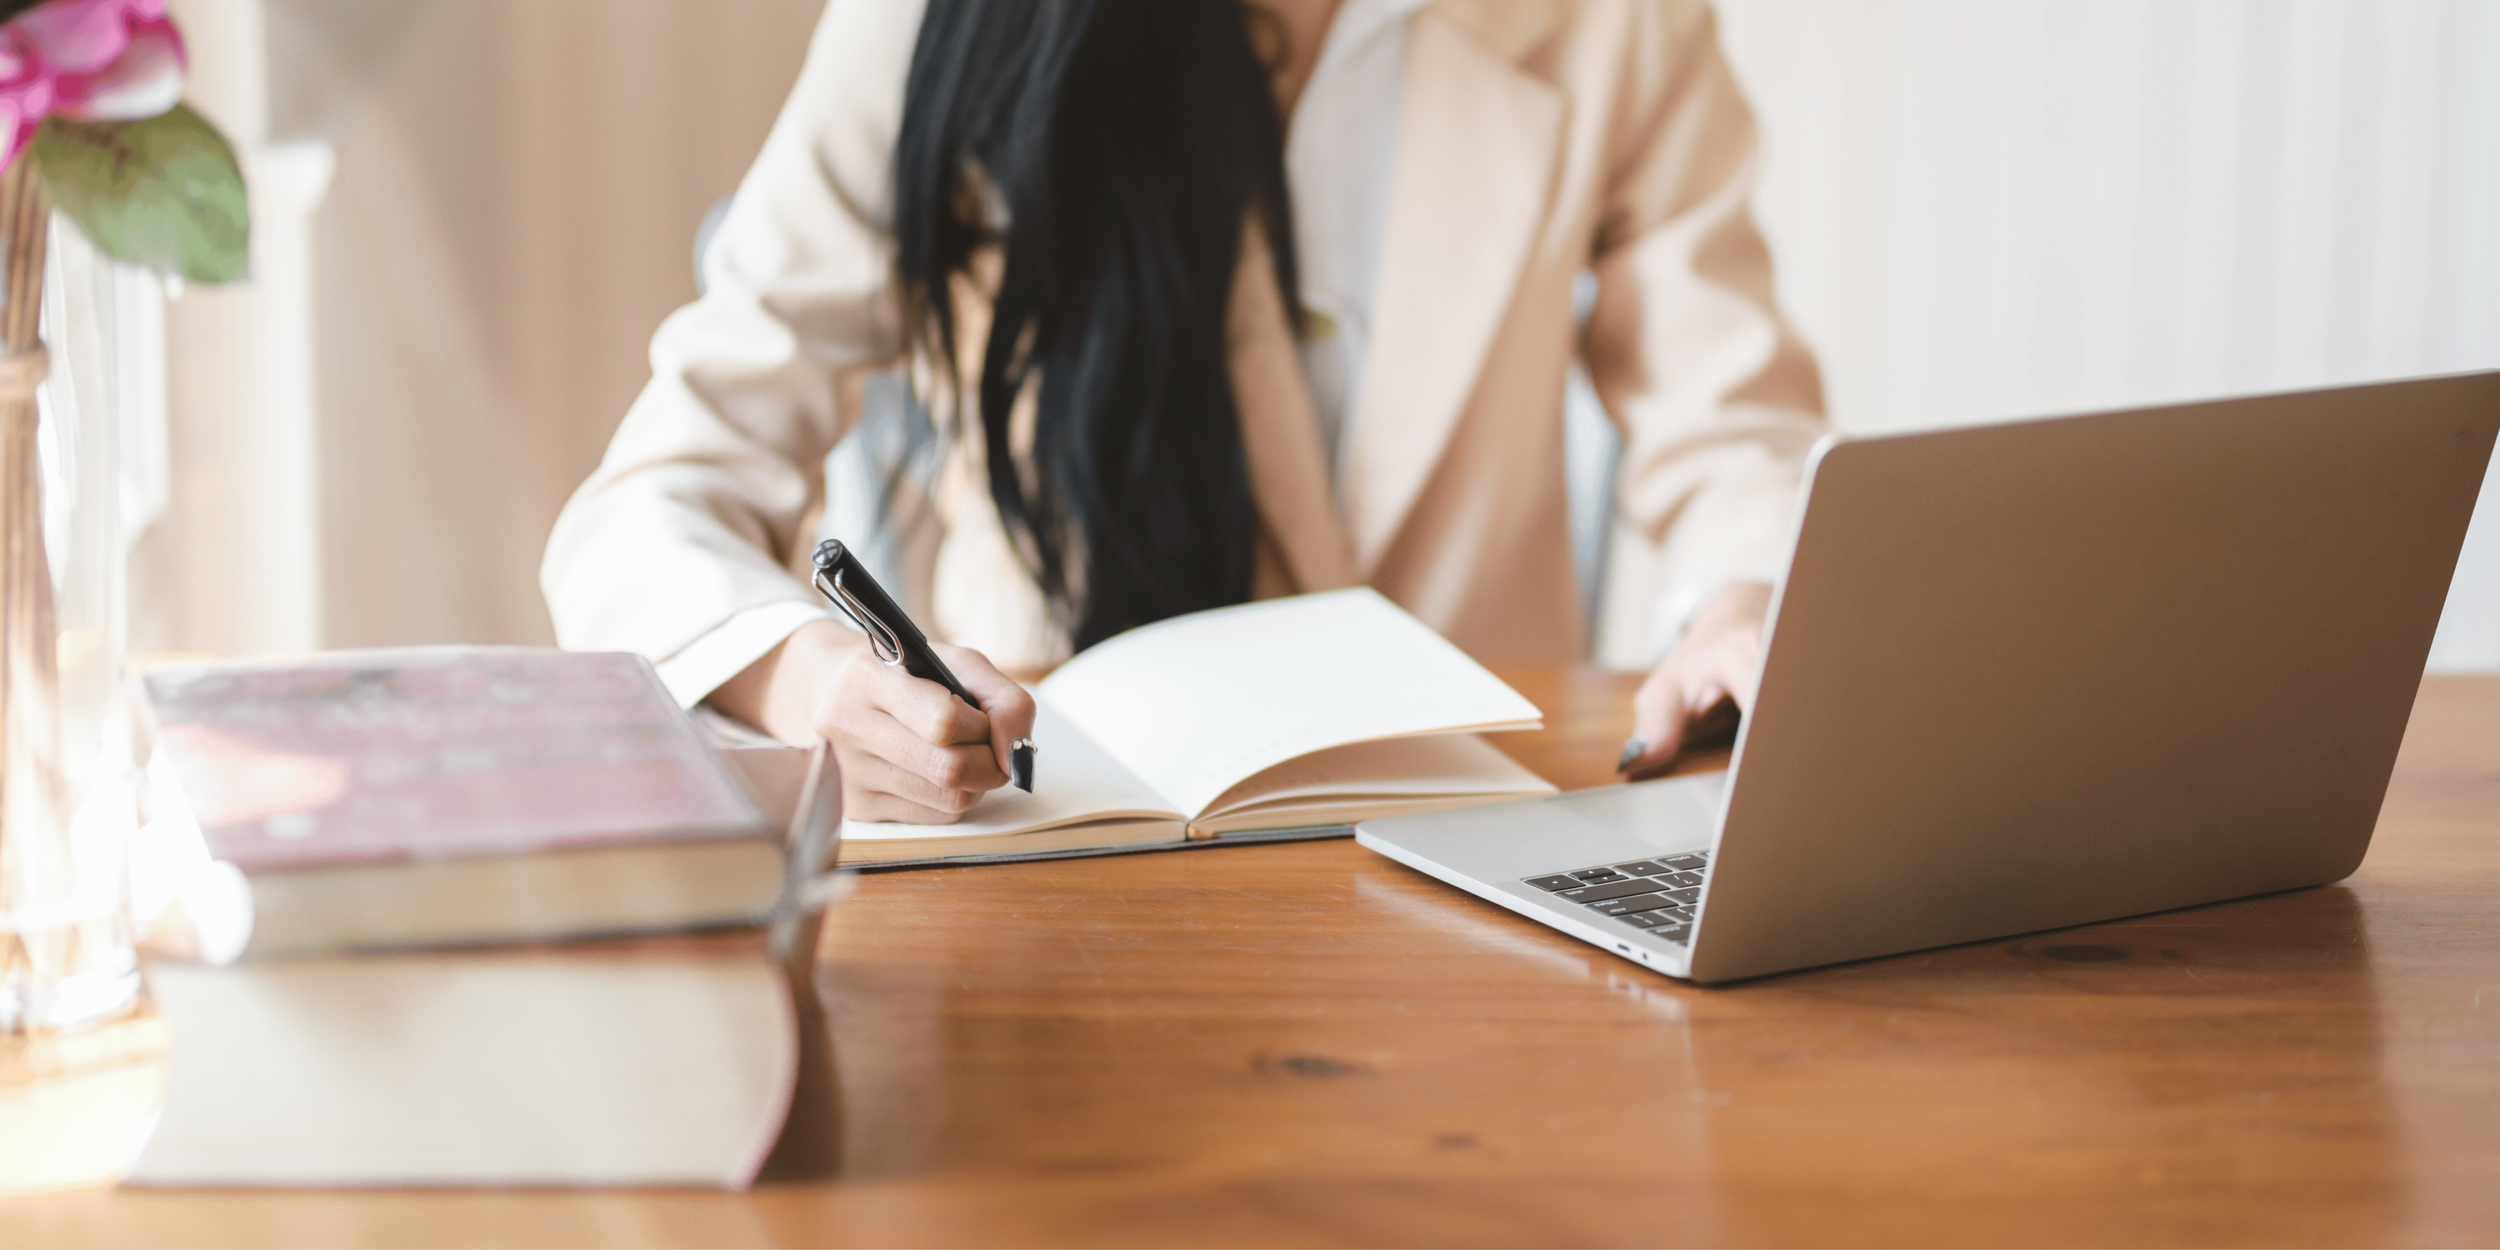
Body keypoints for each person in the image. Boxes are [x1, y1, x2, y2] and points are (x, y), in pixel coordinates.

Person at [542, 0, 1827, 824]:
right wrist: (809, 677)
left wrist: (1741, 600)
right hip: (1060, 836)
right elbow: (653, 499)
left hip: (1470, 830)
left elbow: (1730, 427)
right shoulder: (928, 24)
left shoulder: (1621, 24)